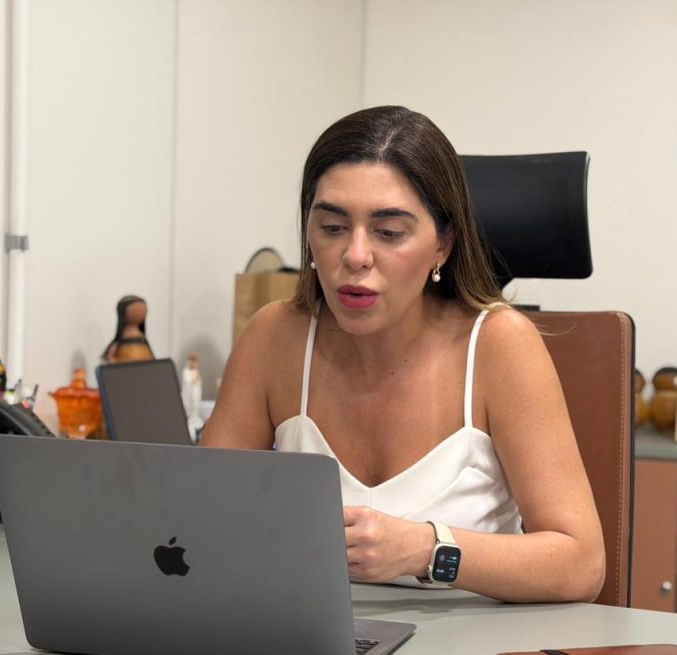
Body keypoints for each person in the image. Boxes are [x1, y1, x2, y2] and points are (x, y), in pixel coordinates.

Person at [201, 106, 604, 603]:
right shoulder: (275, 337)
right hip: (307, 644)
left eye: (389, 233)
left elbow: (581, 564)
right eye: (331, 227)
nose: (355, 256)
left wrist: (426, 550)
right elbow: (205, 521)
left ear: (443, 244)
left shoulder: (500, 345)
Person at [102, 294, 154, 363]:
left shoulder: (142, 338)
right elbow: (110, 356)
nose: (139, 314)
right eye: (136, 311)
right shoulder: (120, 341)